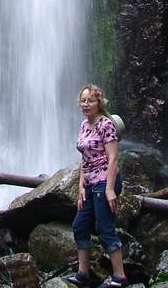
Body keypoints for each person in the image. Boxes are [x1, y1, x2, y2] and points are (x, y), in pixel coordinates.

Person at [67, 84, 127, 288]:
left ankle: (119, 277)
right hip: (90, 183)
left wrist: (109, 189)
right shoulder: (84, 125)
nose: (85, 104)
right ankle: (83, 274)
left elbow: (113, 158)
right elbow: (85, 159)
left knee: (104, 228)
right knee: (79, 226)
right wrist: (81, 187)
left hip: (105, 182)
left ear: (99, 103)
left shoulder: (106, 125)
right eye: (83, 100)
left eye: (90, 100)